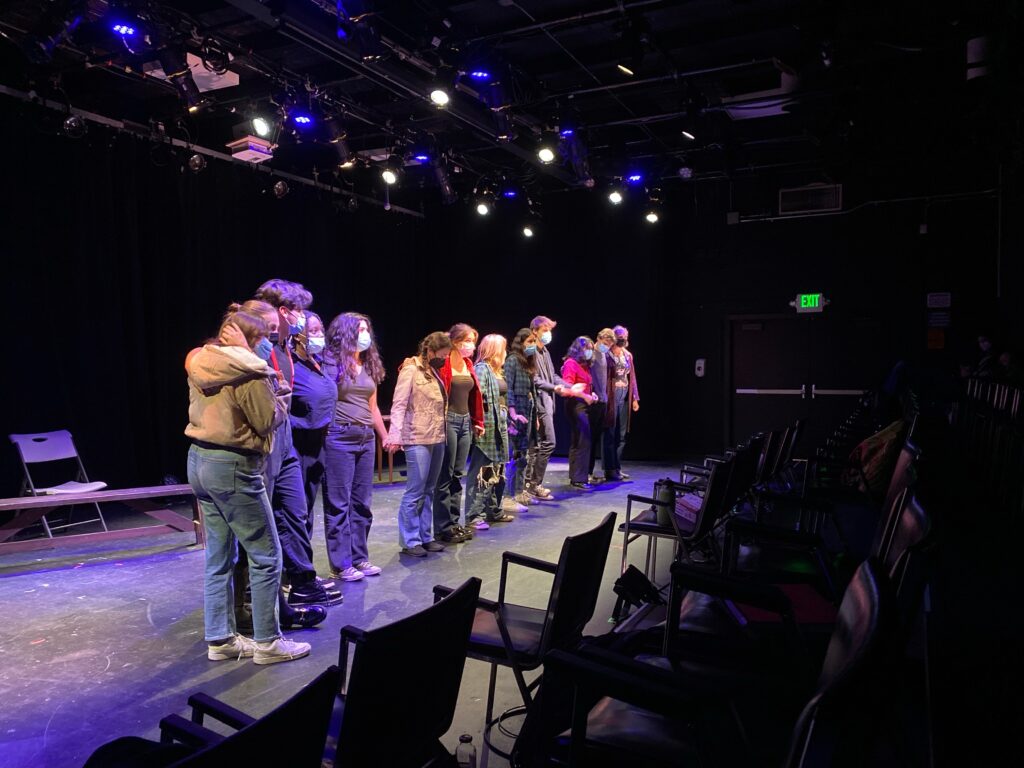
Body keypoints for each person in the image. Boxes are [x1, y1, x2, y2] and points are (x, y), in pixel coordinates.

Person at [185, 306, 311, 665]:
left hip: (199, 460)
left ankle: (220, 639)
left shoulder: (203, 362)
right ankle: (269, 643)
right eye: (265, 337)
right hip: (233, 465)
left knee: (219, 556)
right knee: (266, 554)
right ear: (249, 340)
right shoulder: (251, 372)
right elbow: (266, 420)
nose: (268, 345)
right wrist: (281, 395)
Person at [251, 282, 340, 607]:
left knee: (295, 512)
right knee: (278, 516)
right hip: (270, 444)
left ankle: (302, 579)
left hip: (287, 440)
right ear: (284, 311)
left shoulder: (284, 346)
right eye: (299, 311)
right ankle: (278, 590)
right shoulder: (264, 348)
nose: (302, 318)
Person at [322, 312, 389, 581]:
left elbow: (372, 407)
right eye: (359, 329)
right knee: (339, 503)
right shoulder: (330, 363)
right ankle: (341, 564)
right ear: (345, 333)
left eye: (367, 329)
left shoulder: (368, 365)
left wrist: (384, 435)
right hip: (339, 436)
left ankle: (360, 558)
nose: (365, 334)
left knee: (362, 503)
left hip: (365, 438)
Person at [387, 332, 452, 557]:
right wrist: (394, 435)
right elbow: (399, 404)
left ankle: (426, 536)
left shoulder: (434, 372)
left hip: (437, 437)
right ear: (430, 351)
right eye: (442, 355)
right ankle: (410, 539)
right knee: (415, 490)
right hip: (417, 437)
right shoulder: (410, 370)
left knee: (429, 490)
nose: (443, 360)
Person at [433, 323, 485, 544]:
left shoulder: (468, 363)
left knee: (457, 474)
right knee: (445, 475)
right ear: (455, 341)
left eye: (473, 340)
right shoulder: (443, 364)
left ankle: (454, 523)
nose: (471, 345)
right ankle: (443, 526)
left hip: (465, 422)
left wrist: (477, 421)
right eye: (468, 340)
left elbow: (474, 396)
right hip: (448, 421)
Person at [524, 315, 582, 499]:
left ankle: (532, 485)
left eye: (550, 330)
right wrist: (554, 388)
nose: (549, 334)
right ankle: (532, 485)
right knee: (549, 443)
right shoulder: (530, 350)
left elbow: (552, 376)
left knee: (541, 445)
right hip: (538, 402)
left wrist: (567, 386)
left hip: (548, 402)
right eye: (545, 330)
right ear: (535, 331)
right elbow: (533, 378)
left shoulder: (545, 351)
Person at [289, 311, 335, 537]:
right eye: (313, 331)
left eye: (320, 330)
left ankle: (303, 567)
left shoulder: (317, 363)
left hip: (318, 444)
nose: (319, 335)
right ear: (298, 336)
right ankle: (296, 569)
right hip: (298, 445)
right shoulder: (291, 365)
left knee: (307, 507)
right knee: (297, 509)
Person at [465, 334, 515, 529]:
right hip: (488, 425)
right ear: (494, 350)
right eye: (503, 348)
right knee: (483, 470)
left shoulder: (498, 371)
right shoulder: (482, 369)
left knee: (498, 468)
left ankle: (494, 509)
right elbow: (479, 401)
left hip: (501, 424)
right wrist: (482, 426)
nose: (505, 352)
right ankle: (474, 514)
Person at [503, 328, 538, 509]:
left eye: (534, 342)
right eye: (529, 341)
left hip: (528, 409)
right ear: (521, 342)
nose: (532, 345)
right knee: (514, 453)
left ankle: (518, 491)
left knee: (523, 453)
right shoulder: (512, 361)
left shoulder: (528, 363)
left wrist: (536, 415)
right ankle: (508, 496)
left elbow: (532, 390)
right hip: (516, 410)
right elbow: (508, 387)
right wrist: (512, 412)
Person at [561, 336, 601, 490]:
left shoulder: (585, 365)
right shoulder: (571, 363)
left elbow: (586, 386)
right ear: (579, 349)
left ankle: (577, 476)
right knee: (582, 440)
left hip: (585, 405)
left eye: (591, 348)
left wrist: (593, 395)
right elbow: (568, 388)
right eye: (587, 348)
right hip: (575, 405)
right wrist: (585, 396)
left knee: (581, 440)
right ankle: (578, 478)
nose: (590, 351)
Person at [603, 324, 640, 481]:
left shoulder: (628, 355)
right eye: (620, 336)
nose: (623, 339)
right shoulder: (607, 355)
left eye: (625, 336)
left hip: (625, 395)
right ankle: (609, 469)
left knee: (622, 434)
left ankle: (617, 467)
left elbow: (632, 378)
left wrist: (635, 398)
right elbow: (603, 376)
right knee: (610, 433)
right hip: (611, 396)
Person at [589, 328, 615, 485]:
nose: (608, 346)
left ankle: (590, 472)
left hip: (603, 401)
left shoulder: (605, 355)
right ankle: (586, 472)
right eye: (606, 343)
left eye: (610, 344)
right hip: (594, 401)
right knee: (589, 439)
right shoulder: (591, 354)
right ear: (598, 338)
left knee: (596, 438)